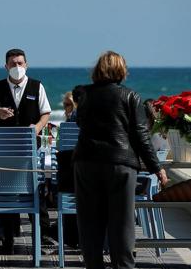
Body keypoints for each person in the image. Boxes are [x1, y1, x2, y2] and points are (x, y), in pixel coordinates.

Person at [72, 51, 168, 269]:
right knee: (122, 226)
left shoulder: (85, 95)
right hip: (120, 164)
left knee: (90, 225)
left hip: (86, 163)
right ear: (121, 70)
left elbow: (80, 123)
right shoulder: (130, 96)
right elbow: (141, 136)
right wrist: (157, 168)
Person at [0, 48, 52, 251]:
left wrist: (36, 129)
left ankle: (44, 235)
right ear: (6, 66)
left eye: (20, 63)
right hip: (3, 149)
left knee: (35, 188)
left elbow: (45, 113)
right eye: (13, 64)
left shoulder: (37, 86)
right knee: (2, 189)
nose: (17, 67)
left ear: (26, 65)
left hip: (30, 149)